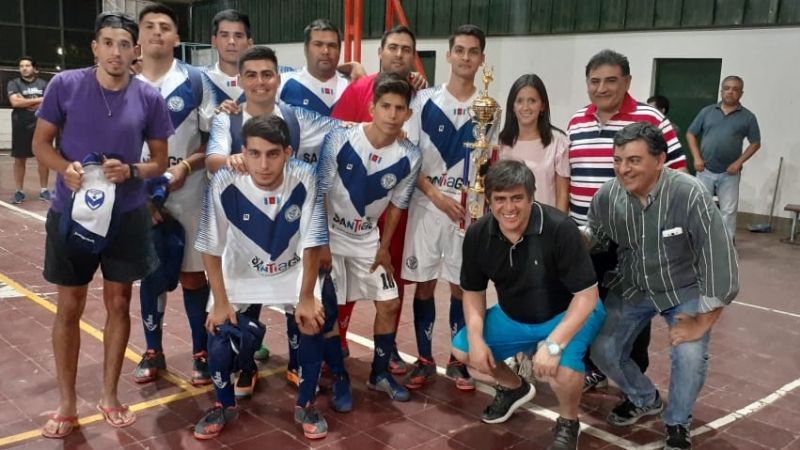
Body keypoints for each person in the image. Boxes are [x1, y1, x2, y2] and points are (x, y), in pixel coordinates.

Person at [32, 12, 173, 438]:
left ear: (135, 51)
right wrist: (65, 170)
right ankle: (66, 403)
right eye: (107, 43)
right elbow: (41, 144)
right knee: (69, 307)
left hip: (126, 216)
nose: (116, 51)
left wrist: (131, 170)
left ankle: (110, 395)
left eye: (124, 44)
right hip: (70, 213)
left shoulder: (149, 98)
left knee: (118, 305)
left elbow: (160, 162)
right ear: (94, 47)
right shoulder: (65, 85)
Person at [586, 121, 739, 450]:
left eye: (634, 160)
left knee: (689, 355)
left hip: (684, 289)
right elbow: (595, 239)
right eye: (618, 160)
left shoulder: (688, 193)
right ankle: (644, 397)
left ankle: (678, 420)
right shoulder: (607, 196)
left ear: (660, 160)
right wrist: (562, 239)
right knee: (602, 349)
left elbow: (718, 258)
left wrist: (704, 320)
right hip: (633, 286)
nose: (624, 169)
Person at [206, 45, 343, 395]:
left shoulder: (296, 116)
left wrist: (388, 127)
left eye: (267, 74)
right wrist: (233, 161)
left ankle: (300, 365)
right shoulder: (228, 118)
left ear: (278, 79)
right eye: (251, 75)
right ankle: (246, 364)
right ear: (240, 80)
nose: (260, 82)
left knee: (301, 302)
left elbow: (344, 129)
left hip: (288, 226)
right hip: (244, 225)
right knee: (243, 304)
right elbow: (212, 159)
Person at [193, 115, 340, 440]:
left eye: (272, 154)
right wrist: (219, 301)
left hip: (291, 270)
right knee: (218, 335)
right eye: (254, 153)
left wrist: (305, 297)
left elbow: (313, 241)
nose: (263, 164)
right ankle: (222, 403)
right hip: (239, 272)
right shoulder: (223, 180)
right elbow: (210, 246)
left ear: (287, 152)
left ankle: (306, 404)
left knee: (311, 322)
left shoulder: (305, 176)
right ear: (242, 152)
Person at [451, 159, 605, 450]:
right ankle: (514, 388)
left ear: (532, 197)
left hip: (569, 311)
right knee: (464, 349)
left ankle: (569, 422)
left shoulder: (560, 228)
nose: (508, 208)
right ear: (488, 200)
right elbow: (473, 291)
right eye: (500, 199)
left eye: (517, 198)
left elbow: (587, 296)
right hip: (515, 316)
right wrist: (474, 336)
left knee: (563, 371)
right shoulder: (477, 235)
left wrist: (554, 344)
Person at [566, 49, 687, 391]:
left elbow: (677, 173)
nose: (602, 88)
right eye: (594, 81)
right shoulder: (577, 122)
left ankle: (631, 377)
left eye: (610, 80)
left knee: (632, 314)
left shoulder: (651, 119)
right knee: (591, 304)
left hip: (632, 240)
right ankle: (592, 366)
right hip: (586, 236)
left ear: (628, 82)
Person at [317, 71, 421, 402]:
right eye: (386, 106)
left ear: (408, 114)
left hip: (367, 240)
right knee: (330, 308)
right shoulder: (340, 138)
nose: (392, 114)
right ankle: (339, 376)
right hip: (331, 235)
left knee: (389, 303)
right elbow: (319, 193)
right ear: (372, 108)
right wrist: (321, 243)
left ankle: (379, 374)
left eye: (399, 108)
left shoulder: (410, 156)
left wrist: (385, 248)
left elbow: (396, 207)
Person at [399, 24, 492, 392]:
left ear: (482, 59)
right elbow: (410, 156)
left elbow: (489, 165)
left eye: (474, 51)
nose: (466, 57)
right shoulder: (423, 102)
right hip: (426, 207)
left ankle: (457, 360)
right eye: (460, 50)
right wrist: (435, 195)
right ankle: (424, 359)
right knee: (423, 287)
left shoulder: (489, 109)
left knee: (459, 287)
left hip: (466, 215)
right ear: (449, 54)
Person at [331, 25, 426, 374]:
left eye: (406, 49)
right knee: (343, 278)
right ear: (381, 52)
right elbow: (336, 136)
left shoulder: (421, 96)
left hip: (395, 205)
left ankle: (390, 352)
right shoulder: (359, 89)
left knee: (390, 277)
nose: (399, 54)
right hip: (353, 204)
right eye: (393, 47)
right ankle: (337, 342)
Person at [132, 2, 214, 387]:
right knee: (151, 275)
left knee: (194, 277)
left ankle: (200, 352)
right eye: (150, 26)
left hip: (190, 192)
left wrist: (184, 167)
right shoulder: (124, 85)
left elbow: (214, 141)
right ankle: (153, 350)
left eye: (165, 27)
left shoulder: (196, 81)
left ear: (177, 37)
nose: (158, 33)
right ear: (139, 36)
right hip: (139, 198)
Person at [686, 75, 761, 241]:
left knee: (728, 210)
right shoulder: (707, 112)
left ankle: (725, 245)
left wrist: (738, 163)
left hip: (730, 173)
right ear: (721, 90)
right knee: (701, 207)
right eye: (727, 88)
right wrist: (696, 158)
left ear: (741, 93)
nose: (730, 92)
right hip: (704, 169)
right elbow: (691, 133)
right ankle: (700, 242)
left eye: (735, 89)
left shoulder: (748, 117)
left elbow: (755, 143)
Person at [499, 73, 569, 213]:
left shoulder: (558, 142)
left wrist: (558, 229)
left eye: (532, 101)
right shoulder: (501, 143)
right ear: (512, 106)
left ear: (542, 106)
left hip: (546, 226)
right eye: (519, 101)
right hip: (509, 222)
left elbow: (562, 193)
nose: (526, 107)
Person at [278, 19, 349, 119]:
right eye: (318, 44)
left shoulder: (350, 86)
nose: (325, 51)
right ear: (306, 49)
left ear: (339, 50)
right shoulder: (283, 84)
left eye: (332, 46)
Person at [7, 56, 50, 203]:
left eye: (27, 65)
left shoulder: (44, 84)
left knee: (43, 158)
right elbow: (15, 103)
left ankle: (44, 190)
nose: (24, 68)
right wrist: (39, 100)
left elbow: (48, 102)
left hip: (40, 124)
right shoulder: (13, 84)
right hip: (21, 125)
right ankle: (19, 191)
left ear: (34, 68)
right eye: (21, 66)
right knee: (20, 159)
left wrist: (25, 101)